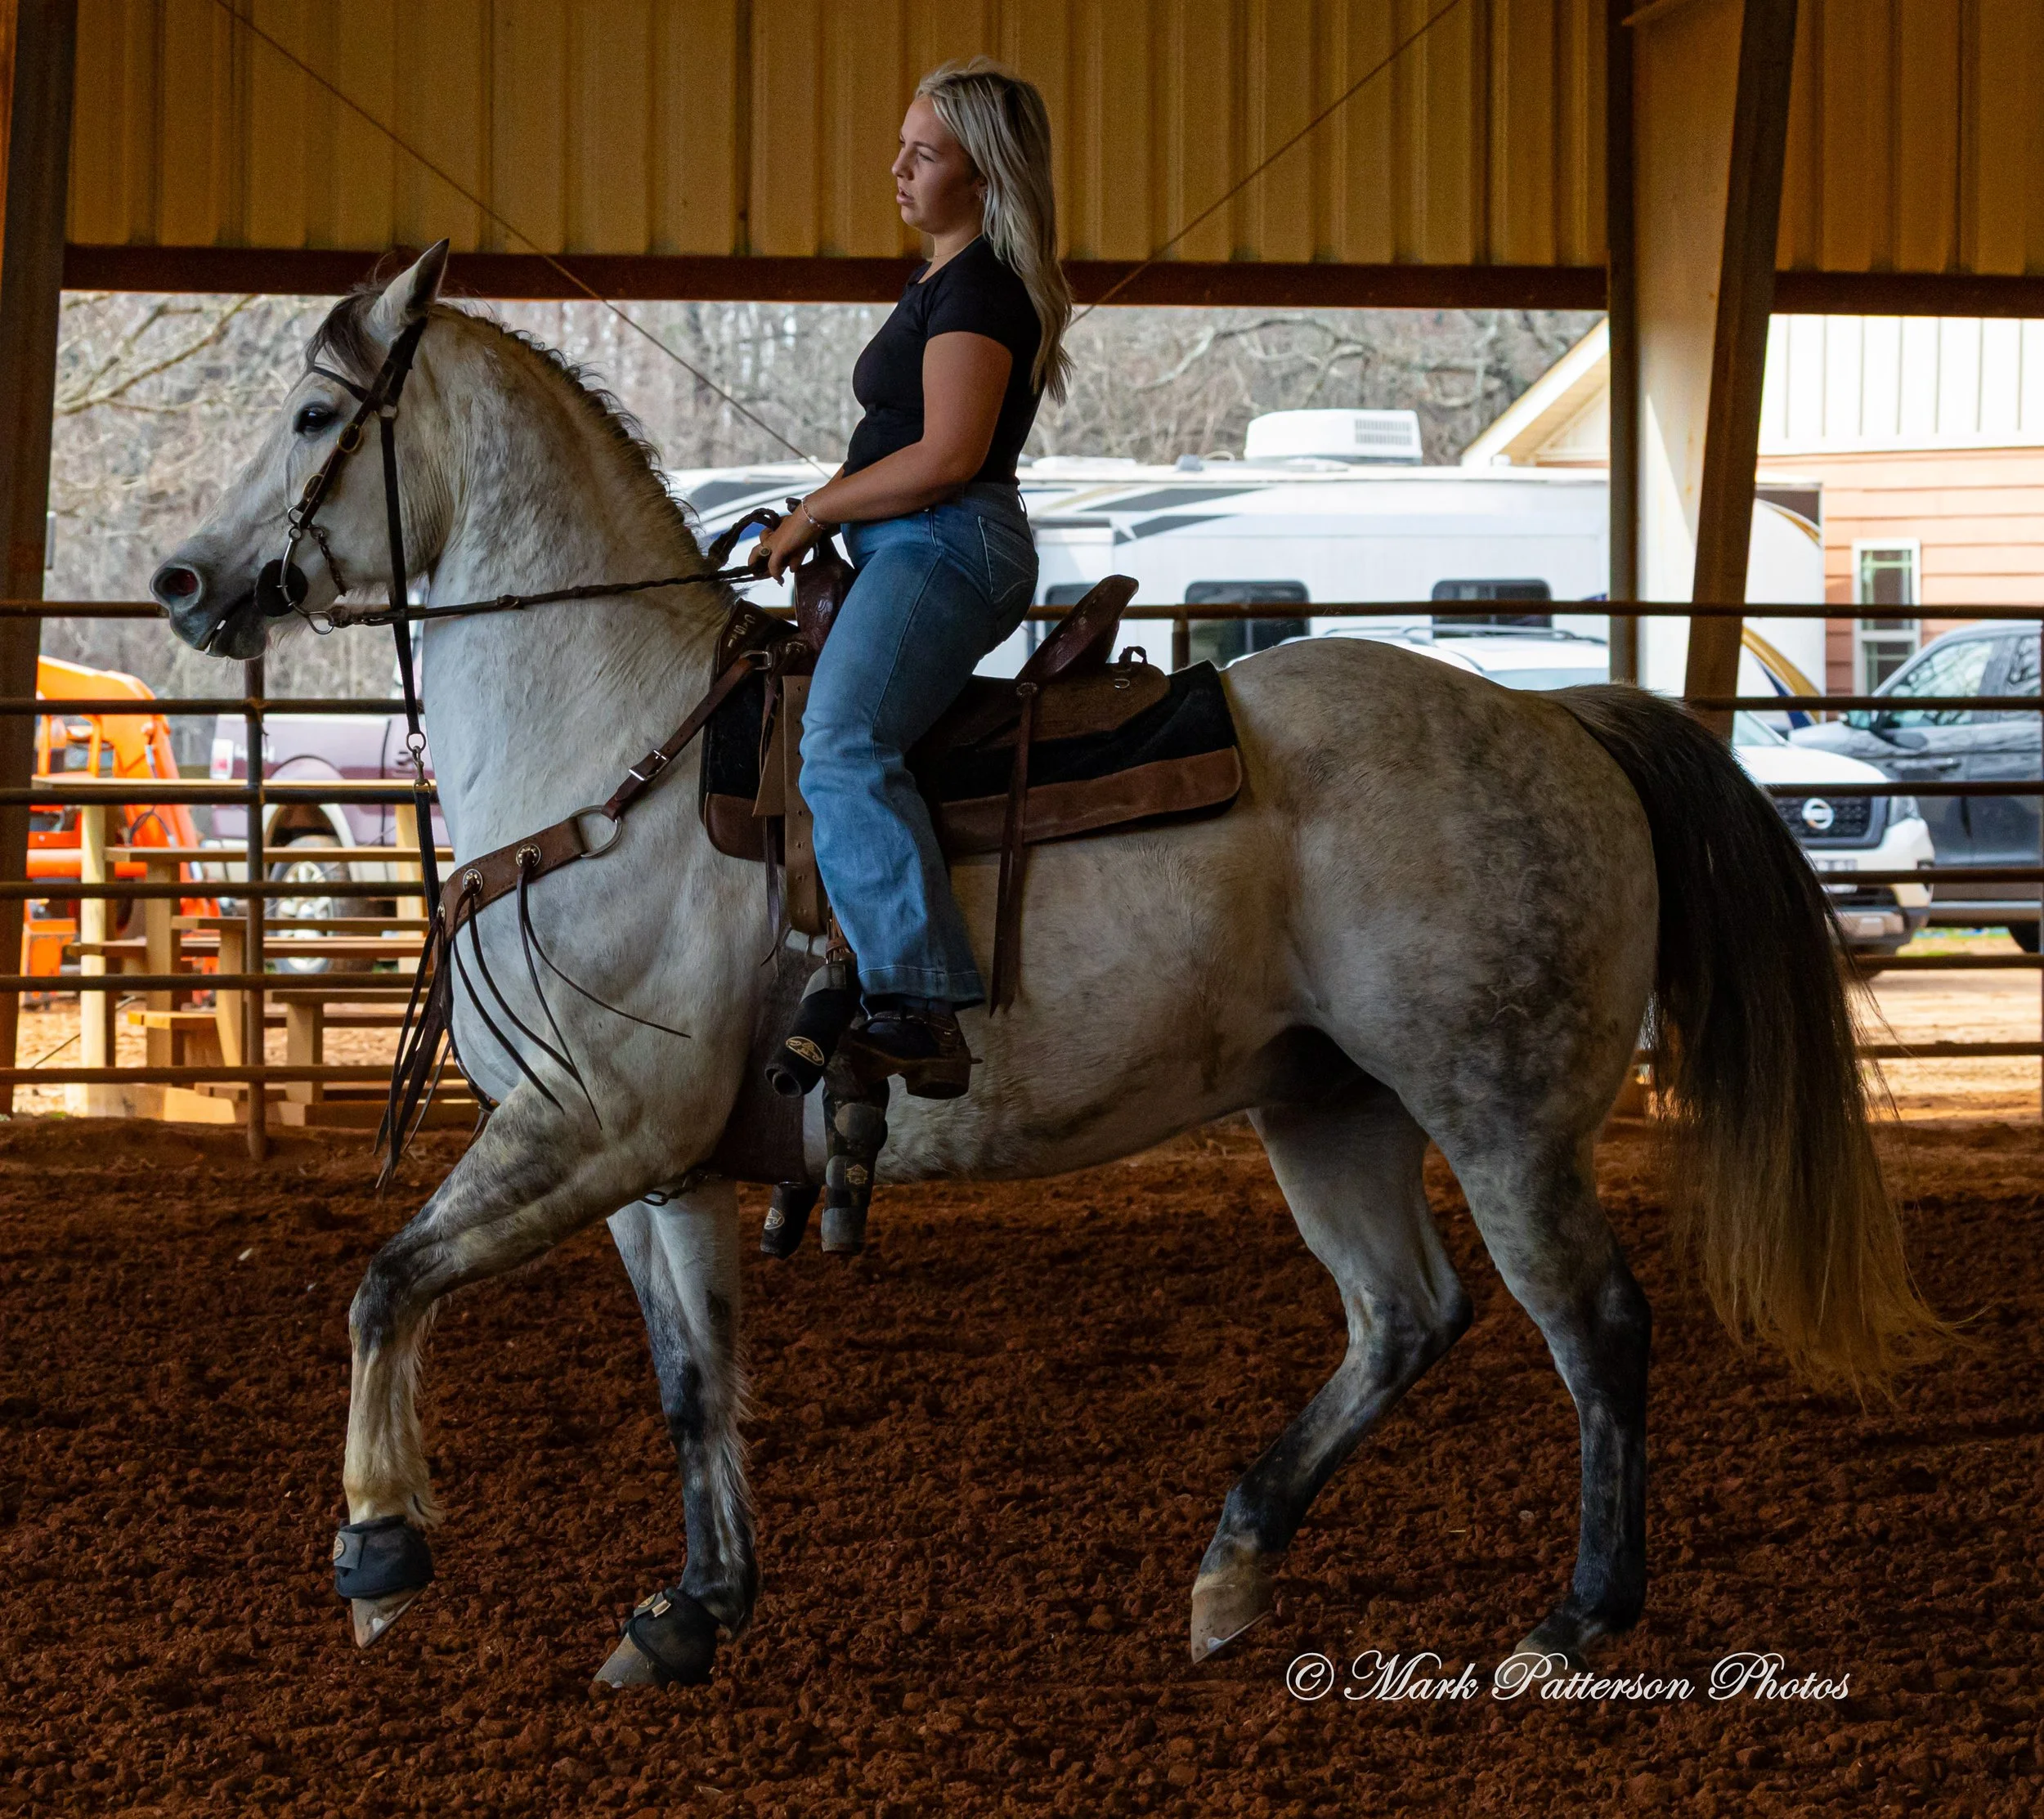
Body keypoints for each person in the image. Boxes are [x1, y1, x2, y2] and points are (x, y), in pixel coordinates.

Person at [748, 58, 1072, 1100]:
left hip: (945, 540)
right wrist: (816, 511)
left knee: (842, 740)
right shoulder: (938, 281)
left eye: (923, 154)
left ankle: (916, 998)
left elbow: (944, 456)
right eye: (902, 146)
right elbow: (897, 444)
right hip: (906, 536)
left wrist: (815, 509)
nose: (897, 169)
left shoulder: (979, 289)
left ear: (982, 178)